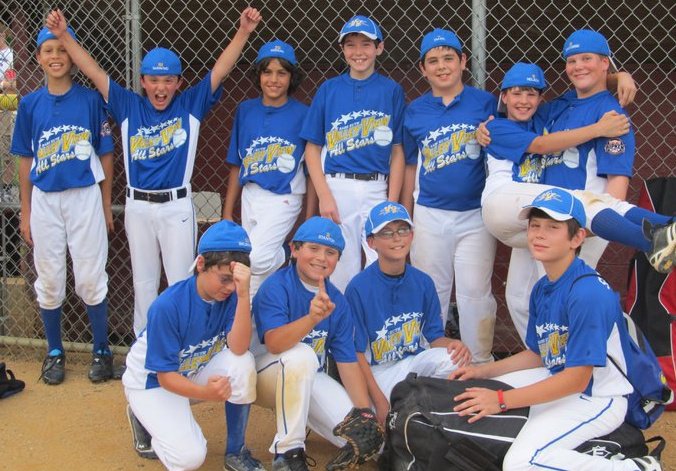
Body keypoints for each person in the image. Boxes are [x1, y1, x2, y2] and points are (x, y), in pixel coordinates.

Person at [45, 7, 262, 335]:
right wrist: (63, 36)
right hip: (138, 206)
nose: (161, 88)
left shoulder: (189, 104)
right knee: (144, 283)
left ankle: (184, 343)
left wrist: (243, 32)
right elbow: (93, 70)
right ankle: (143, 346)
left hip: (176, 206)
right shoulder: (128, 105)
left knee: (181, 280)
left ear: (178, 83)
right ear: (143, 82)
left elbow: (220, 69)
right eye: (154, 80)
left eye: (168, 80)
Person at [450, 187, 662, 471]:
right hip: (559, 377)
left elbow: (577, 379)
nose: (539, 234)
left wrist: (501, 400)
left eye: (552, 227)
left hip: (598, 397)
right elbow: (539, 354)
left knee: (521, 462)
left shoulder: (588, 293)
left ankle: (637, 468)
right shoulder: (543, 287)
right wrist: (483, 371)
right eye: (535, 225)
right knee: (479, 391)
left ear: (577, 238)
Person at [480, 62, 675, 339]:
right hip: (502, 203)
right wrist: (599, 128)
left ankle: (546, 354)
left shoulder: (545, 115)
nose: (524, 100)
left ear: (541, 99)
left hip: (531, 215)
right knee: (573, 201)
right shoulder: (497, 127)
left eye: (531, 94)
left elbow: (586, 87)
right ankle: (652, 239)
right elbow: (541, 145)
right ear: (504, 96)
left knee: (520, 297)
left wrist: (619, 77)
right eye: (516, 93)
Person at [10, 26, 115, 384]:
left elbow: (105, 153)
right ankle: (54, 351)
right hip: (45, 199)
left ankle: (101, 351)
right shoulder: (30, 104)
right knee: (50, 278)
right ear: (38, 57)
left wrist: (105, 204)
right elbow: (25, 159)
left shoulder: (89, 100)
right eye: (48, 50)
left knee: (90, 276)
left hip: (84, 195)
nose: (55, 56)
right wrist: (25, 210)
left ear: (72, 55)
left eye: (62, 50)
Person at [122, 220, 264, 471]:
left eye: (235, 281)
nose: (230, 287)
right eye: (224, 279)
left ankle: (236, 451)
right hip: (152, 383)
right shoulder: (168, 306)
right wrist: (206, 393)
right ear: (201, 264)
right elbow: (165, 377)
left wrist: (244, 296)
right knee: (189, 458)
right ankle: (143, 414)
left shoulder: (232, 295)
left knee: (242, 363)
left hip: (191, 370)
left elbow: (239, 348)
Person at [402, 28, 498, 363]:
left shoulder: (485, 102)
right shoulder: (415, 110)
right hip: (429, 212)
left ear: (463, 61)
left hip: (475, 215)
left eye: (448, 58)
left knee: (475, 291)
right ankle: (432, 364)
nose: (441, 66)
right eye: (433, 61)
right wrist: (405, 211)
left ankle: (479, 363)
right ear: (423, 69)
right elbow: (410, 165)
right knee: (431, 290)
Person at [252, 216, 374, 470]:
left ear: (337, 260)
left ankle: (301, 416)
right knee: (301, 356)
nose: (321, 257)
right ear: (295, 250)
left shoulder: (337, 300)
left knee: (359, 437)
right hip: (263, 377)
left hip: (308, 377)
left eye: (330, 252)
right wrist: (311, 319)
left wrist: (365, 413)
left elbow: (347, 362)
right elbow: (274, 344)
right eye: (313, 248)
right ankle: (288, 453)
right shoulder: (276, 287)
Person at [300, 15, 406, 292]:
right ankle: (342, 319)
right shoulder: (329, 89)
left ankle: (374, 318)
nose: (358, 52)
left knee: (381, 261)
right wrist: (324, 195)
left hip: (376, 185)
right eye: (350, 45)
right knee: (340, 263)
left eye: (366, 44)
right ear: (342, 49)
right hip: (338, 186)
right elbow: (312, 148)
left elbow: (397, 151)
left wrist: (391, 202)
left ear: (379, 48)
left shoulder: (391, 90)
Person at [345, 201, 472, 424]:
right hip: (379, 371)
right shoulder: (358, 287)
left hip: (414, 361)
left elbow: (435, 338)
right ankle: (414, 410)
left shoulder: (423, 282)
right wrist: (379, 401)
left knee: (455, 361)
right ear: (371, 242)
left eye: (403, 230)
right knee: (387, 424)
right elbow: (356, 354)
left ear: (411, 235)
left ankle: (436, 416)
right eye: (387, 232)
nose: (397, 238)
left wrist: (454, 345)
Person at [222, 39, 307, 297]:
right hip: (251, 193)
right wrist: (227, 212)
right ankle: (253, 319)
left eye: (282, 73)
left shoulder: (303, 114)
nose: (274, 79)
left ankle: (286, 253)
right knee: (253, 274)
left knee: (256, 258)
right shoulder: (246, 110)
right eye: (267, 72)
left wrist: (310, 215)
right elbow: (237, 163)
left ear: (291, 77)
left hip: (284, 195)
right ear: (258, 75)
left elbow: (312, 168)